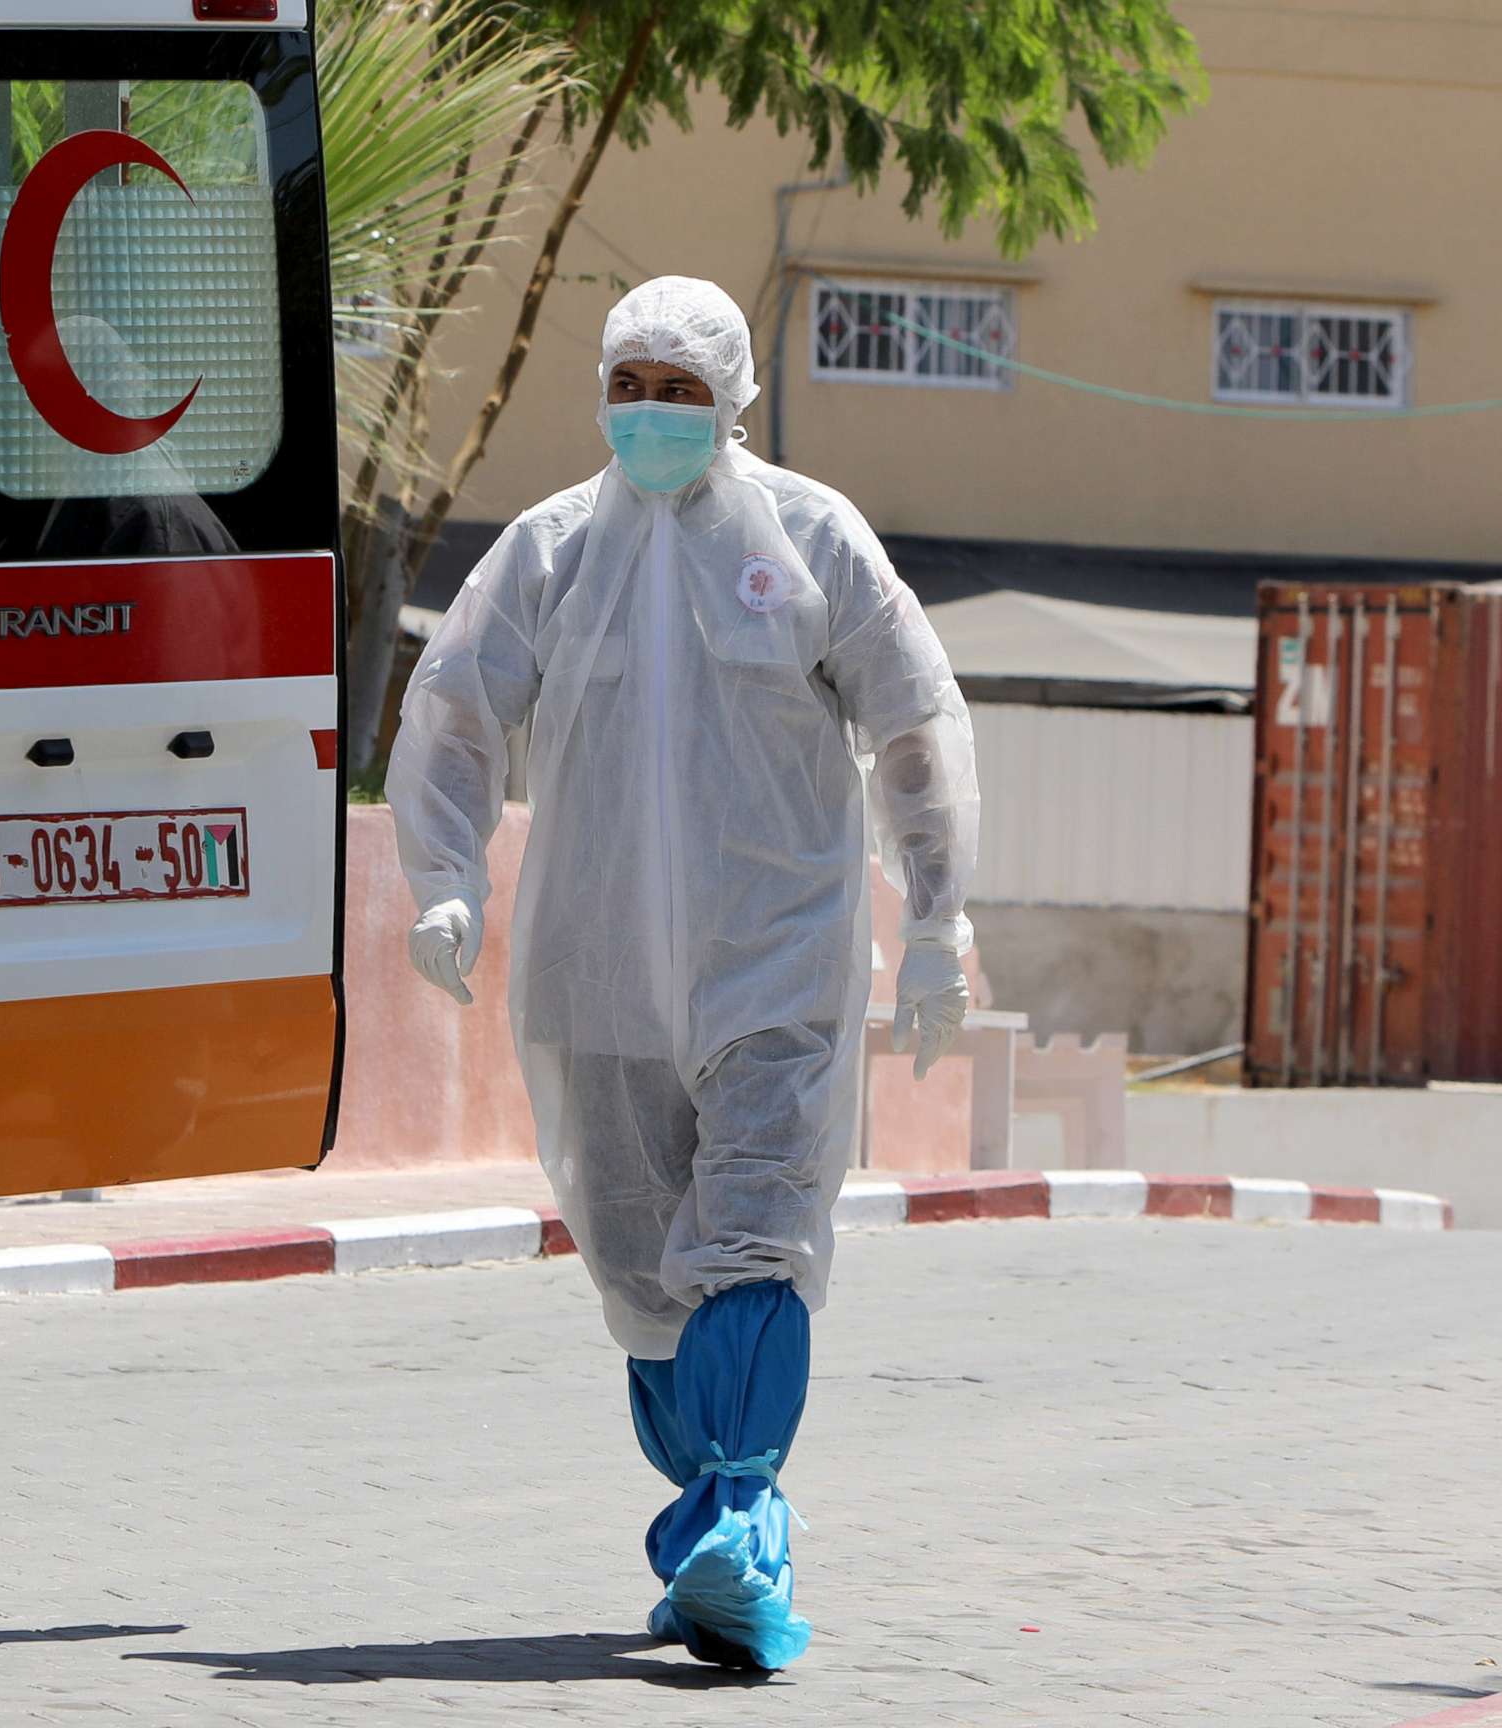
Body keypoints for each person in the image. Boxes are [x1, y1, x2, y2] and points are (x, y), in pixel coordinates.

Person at [387, 276, 980, 1672]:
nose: (653, 412)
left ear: (735, 396)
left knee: (756, 1242)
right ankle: (708, 1514)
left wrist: (943, 915)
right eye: (630, 384)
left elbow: (915, 724)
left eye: (681, 387)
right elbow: (455, 715)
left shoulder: (813, 539)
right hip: (596, 983)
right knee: (649, 1279)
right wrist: (446, 879)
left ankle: (736, 1527)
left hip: (775, 966)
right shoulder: (547, 553)